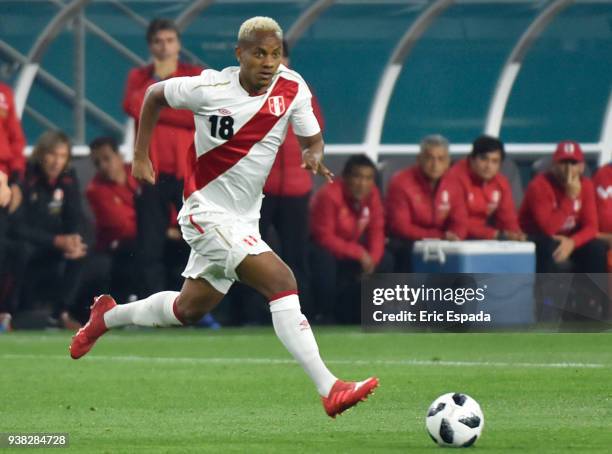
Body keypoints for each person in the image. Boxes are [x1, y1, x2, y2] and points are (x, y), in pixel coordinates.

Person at [70, 16, 378, 417]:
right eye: (259, 53)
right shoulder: (209, 87)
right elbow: (153, 95)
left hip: (244, 219)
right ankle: (329, 387)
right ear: (240, 54)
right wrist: (142, 155)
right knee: (282, 281)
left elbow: (312, 137)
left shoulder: (292, 86)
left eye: (274, 53)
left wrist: (312, 154)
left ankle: (106, 317)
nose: (268, 62)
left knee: (189, 309)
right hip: (204, 211)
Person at [123, 18, 203, 296]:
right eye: (158, 41)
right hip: (151, 171)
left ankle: (194, 305)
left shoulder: (195, 74)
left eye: (170, 40)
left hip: (189, 171)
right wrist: (161, 87)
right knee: (149, 245)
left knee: (198, 240)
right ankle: (153, 305)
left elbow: (199, 114)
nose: (165, 46)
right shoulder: (139, 77)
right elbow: (133, 105)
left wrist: (155, 104)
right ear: (150, 46)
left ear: (178, 44)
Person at [11, 131, 86, 329]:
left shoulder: (69, 179)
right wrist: (56, 241)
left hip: (55, 242)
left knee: (80, 251)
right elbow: (17, 226)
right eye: (52, 154)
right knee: (20, 250)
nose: (56, 162)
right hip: (30, 241)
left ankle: (60, 313)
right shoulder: (25, 178)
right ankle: (8, 313)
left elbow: (76, 215)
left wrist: (74, 239)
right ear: (41, 154)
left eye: (62, 156)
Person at [309, 154, 388, 323]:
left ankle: (375, 311)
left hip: (352, 252)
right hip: (327, 250)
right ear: (345, 177)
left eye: (368, 178)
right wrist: (359, 253)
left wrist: (372, 259)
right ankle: (324, 314)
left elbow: (377, 230)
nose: (362, 183)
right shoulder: (329, 196)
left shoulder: (372, 195)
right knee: (323, 260)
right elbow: (323, 236)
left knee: (386, 259)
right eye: (357, 177)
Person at [519, 141, 606, 273]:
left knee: (596, 248)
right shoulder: (539, 186)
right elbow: (548, 229)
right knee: (547, 245)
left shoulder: (586, 185)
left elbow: (591, 227)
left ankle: (593, 293)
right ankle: (546, 292)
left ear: (582, 167)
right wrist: (569, 198)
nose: (568, 169)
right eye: (563, 163)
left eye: (573, 163)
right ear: (554, 165)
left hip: (568, 238)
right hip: (539, 237)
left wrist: (573, 242)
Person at [386, 134, 467, 272]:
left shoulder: (455, 183)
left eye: (441, 159)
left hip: (442, 241)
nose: (435, 165)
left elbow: (460, 221)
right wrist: (439, 237)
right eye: (430, 158)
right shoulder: (401, 182)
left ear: (448, 162)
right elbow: (400, 227)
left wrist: (455, 235)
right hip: (405, 242)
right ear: (419, 159)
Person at [86, 137, 139, 302]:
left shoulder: (139, 173)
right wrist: (160, 227)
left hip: (152, 237)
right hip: (116, 246)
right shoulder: (95, 190)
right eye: (97, 163)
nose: (102, 166)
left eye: (107, 159)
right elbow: (121, 225)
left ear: (120, 156)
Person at [450, 135, 524, 240]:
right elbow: (458, 222)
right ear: (472, 159)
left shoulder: (501, 182)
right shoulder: (455, 178)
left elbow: (508, 218)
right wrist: (496, 234)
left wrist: (516, 234)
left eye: (494, 161)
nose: (488, 166)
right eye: (484, 159)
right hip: (456, 236)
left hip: (486, 237)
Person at [0, 82, 26, 331]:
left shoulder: (4, 93)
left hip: (4, 185)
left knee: (7, 249)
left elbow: (16, 140)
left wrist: (15, 182)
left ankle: (3, 312)